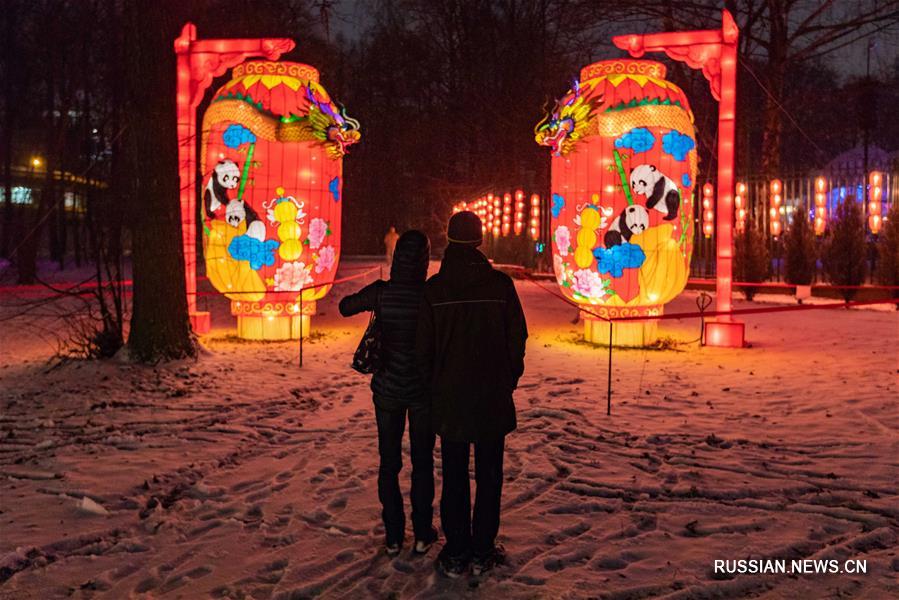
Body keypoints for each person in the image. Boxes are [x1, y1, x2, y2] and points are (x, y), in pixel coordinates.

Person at [416, 211, 528, 578]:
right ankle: (482, 548)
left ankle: (456, 548)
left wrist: (434, 386)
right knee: (490, 475)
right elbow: (517, 338)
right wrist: (507, 379)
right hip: (491, 395)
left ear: (448, 240)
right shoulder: (500, 286)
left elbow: (424, 350)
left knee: (453, 475)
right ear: (480, 241)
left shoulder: (434, 291)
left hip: (449, 398)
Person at [339, 230, 437, 557]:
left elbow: (344, 307)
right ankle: (423, 534)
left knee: (389, 463)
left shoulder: (382, 293)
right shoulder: (430, 296)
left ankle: (394, 534)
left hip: (387, 391)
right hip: (423, 393)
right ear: (424, 261)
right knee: (422, 463)